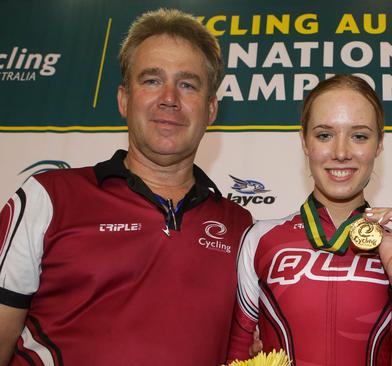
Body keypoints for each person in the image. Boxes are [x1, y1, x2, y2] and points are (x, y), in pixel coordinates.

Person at [0, 8, 252, 365]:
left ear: (211, 109)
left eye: (188, 84)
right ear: (123, 99)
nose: (169, 98)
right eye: (151, 80)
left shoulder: (241, 227)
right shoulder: (49, 198)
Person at [227, 75, 392, 365]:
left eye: (359, 136)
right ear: (304, 141)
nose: (341, 153)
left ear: (379, 144)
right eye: (324, 135)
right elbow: (238, 354)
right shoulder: (261, 239)